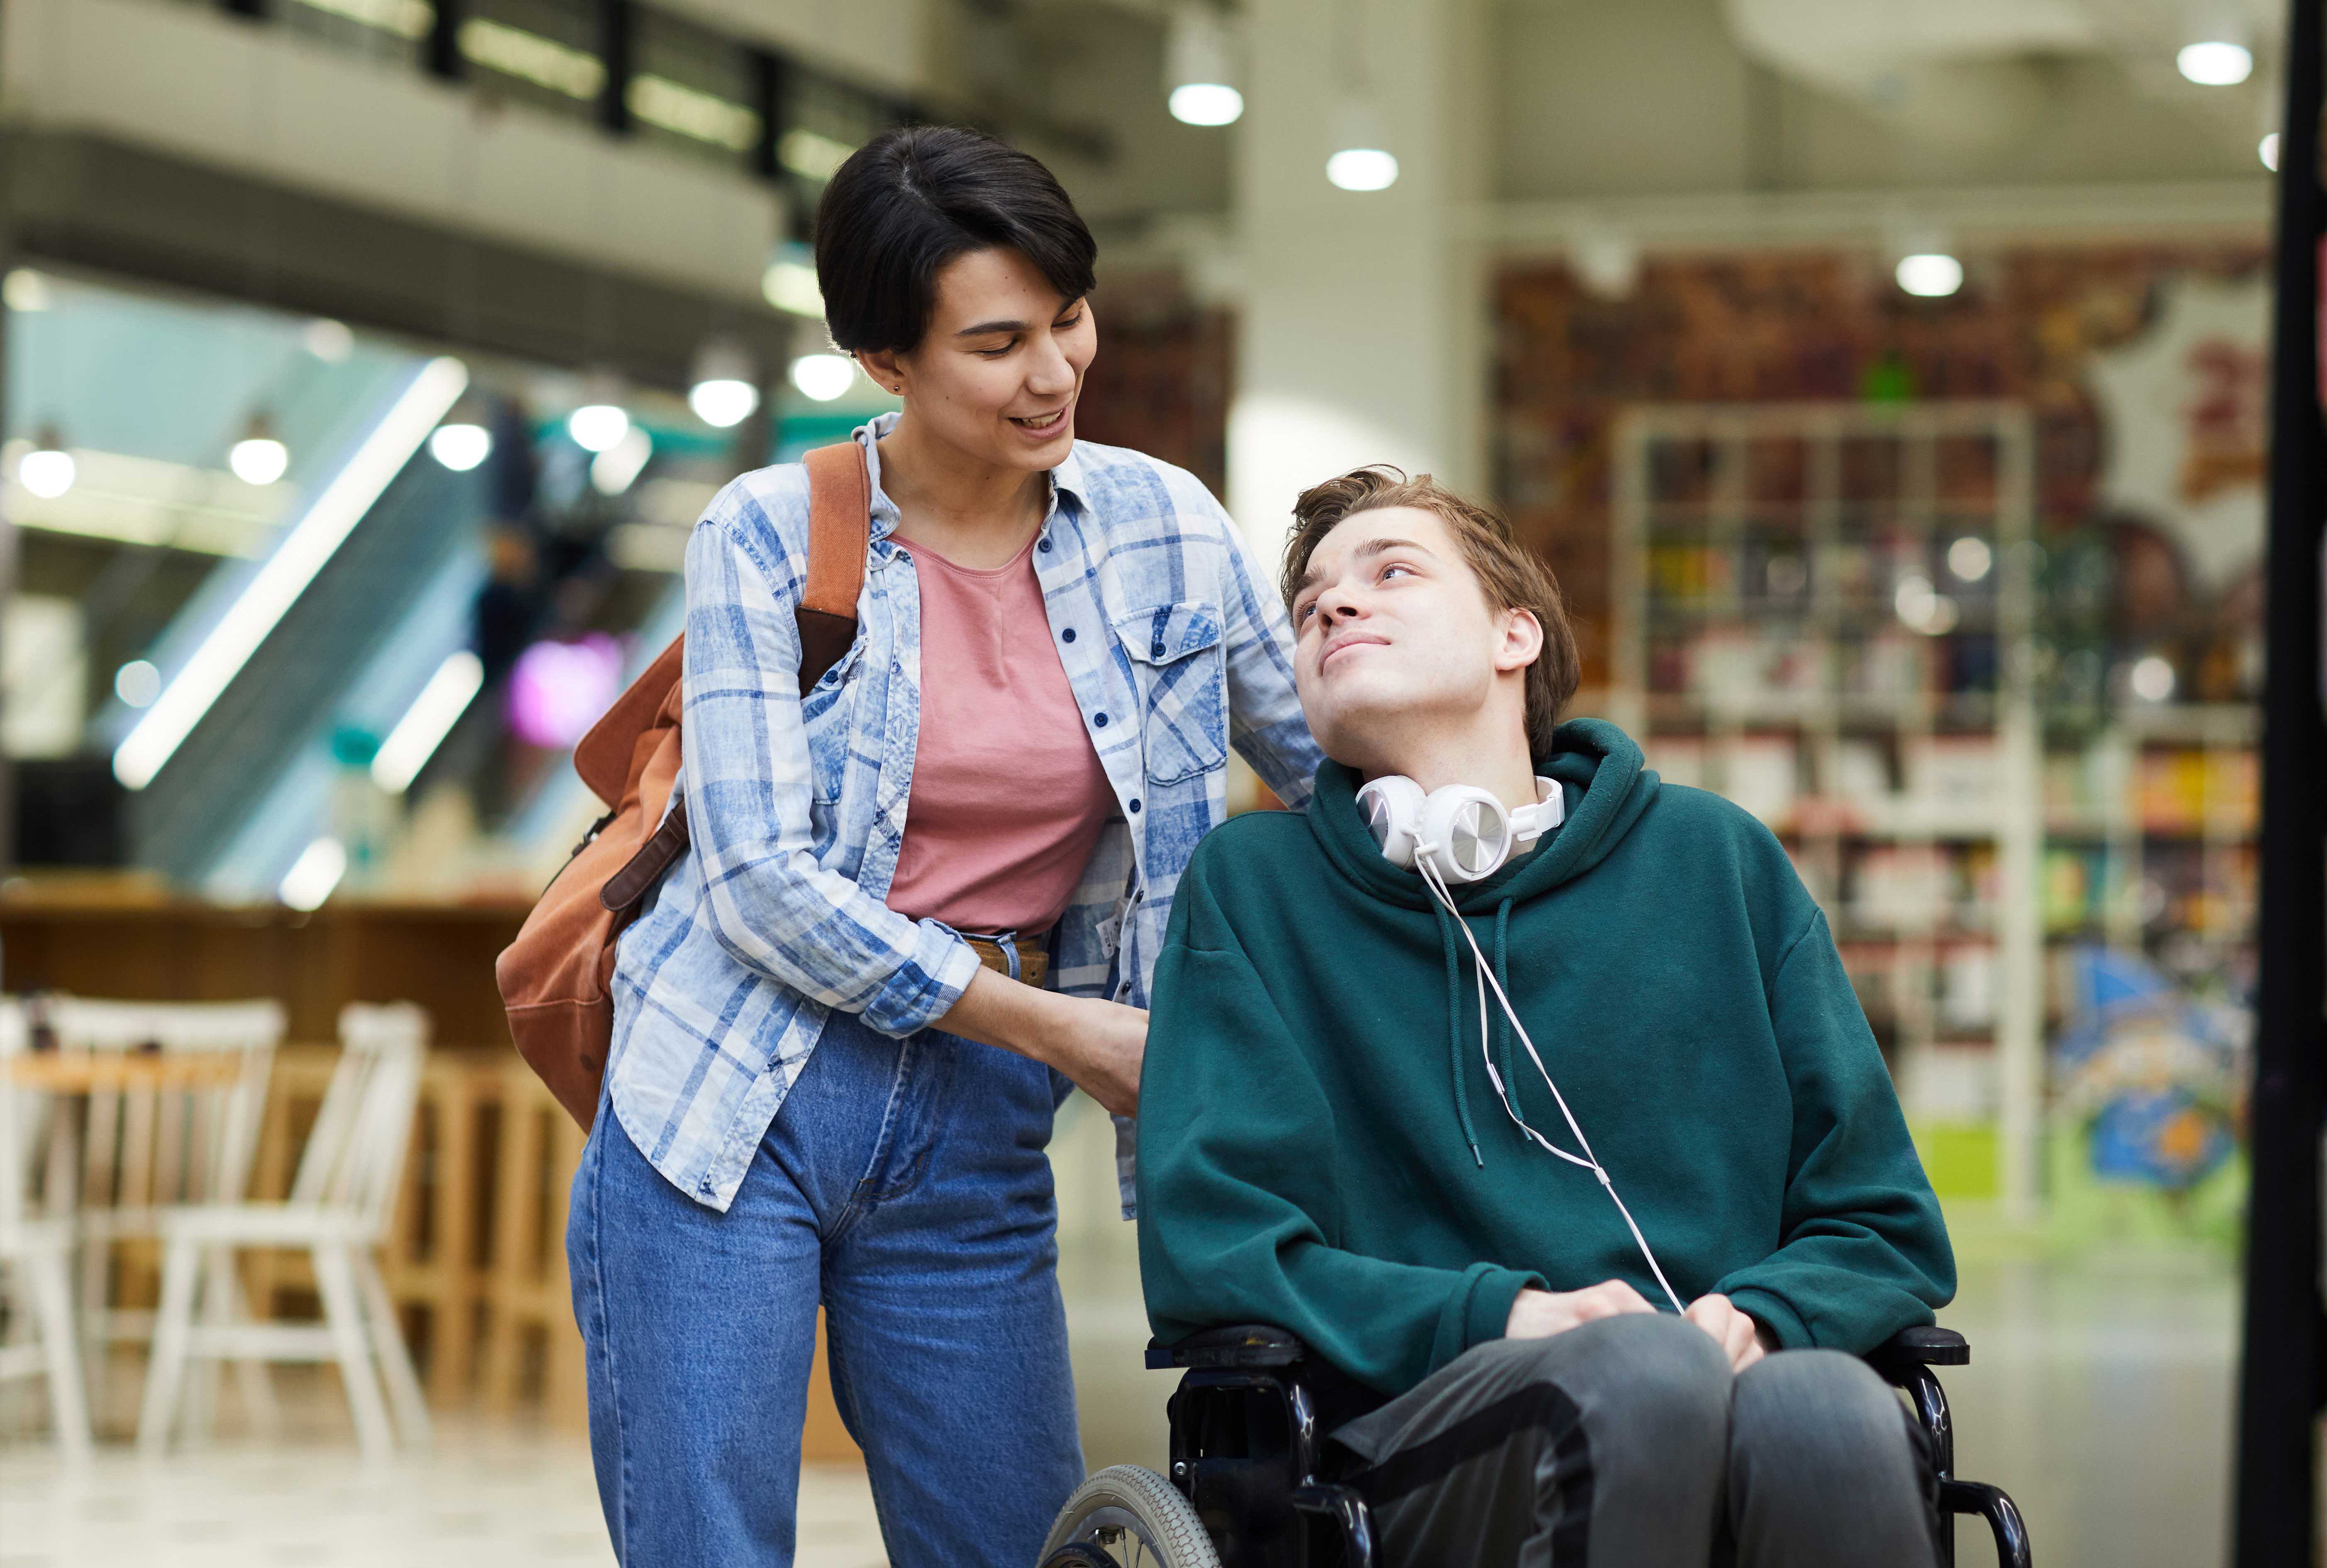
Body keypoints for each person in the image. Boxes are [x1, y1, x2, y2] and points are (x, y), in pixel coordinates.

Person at [567, 125, 1319, 1568]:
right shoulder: (768, 536)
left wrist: (1506, 779)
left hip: (977, 1117)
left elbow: (1316, 763)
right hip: (735, 1095)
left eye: (1069, 320)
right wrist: (1067, 1032)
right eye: (997, 342)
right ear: (885, 362)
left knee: (1011, 1539)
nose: (1055, 373)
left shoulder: (1164, 527)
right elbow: (760, 885)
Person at [1135, 467, 1954, 1566]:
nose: (1334, 604)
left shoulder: (1717, 861)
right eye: (1309, 603)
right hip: (1407, 1445)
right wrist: (1504, 1316)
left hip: (1721, 1382)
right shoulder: (1254, 888)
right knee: (1644, 1371)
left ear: (1514, 635)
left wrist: (1760, 1313)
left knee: (1834, 1409)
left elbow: (1883, 1221)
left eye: (1391, 571)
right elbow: (1215, 1249)